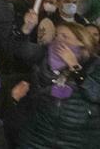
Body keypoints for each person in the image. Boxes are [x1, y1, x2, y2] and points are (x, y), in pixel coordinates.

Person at [16, 12, 100, 147]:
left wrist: (74, 66)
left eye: (65, 37)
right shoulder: (44, 53)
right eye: (56, 36)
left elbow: (95, 94)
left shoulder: (94, 64)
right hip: (38, 136)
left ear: (81, 41)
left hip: (78, 140)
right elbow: (20, 50)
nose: (58, 40)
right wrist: (26, 29)